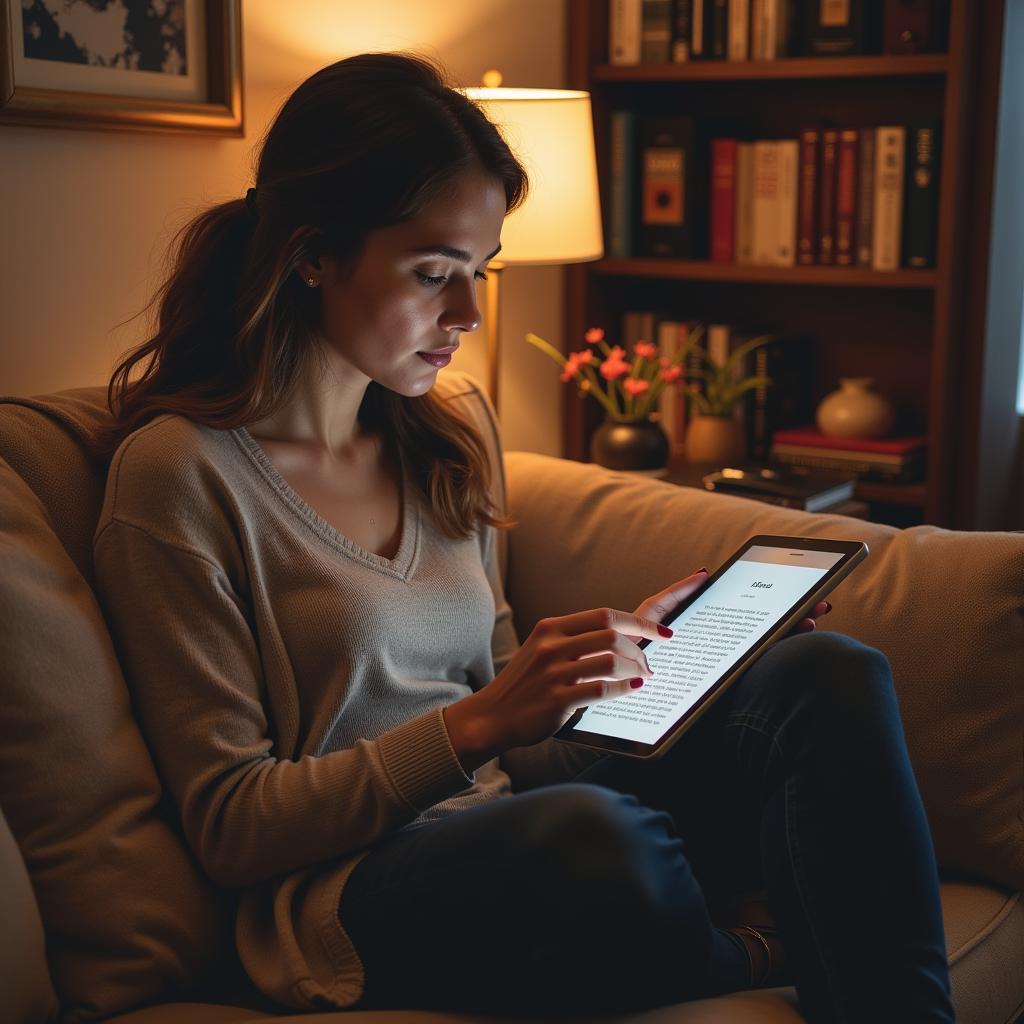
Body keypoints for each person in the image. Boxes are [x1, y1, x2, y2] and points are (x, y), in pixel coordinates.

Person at [91, 52, 955, 1023]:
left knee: (826, 672)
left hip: (516, 823)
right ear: (313, 253)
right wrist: (483, 720)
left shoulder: (444, 440)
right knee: (591, 835)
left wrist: (616, 675)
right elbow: (229, 825)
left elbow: (519, 758)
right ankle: (740, 946)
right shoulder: (179, 476)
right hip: (349, 894)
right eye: (432, 274)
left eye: (479, 274)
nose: (466, 314)